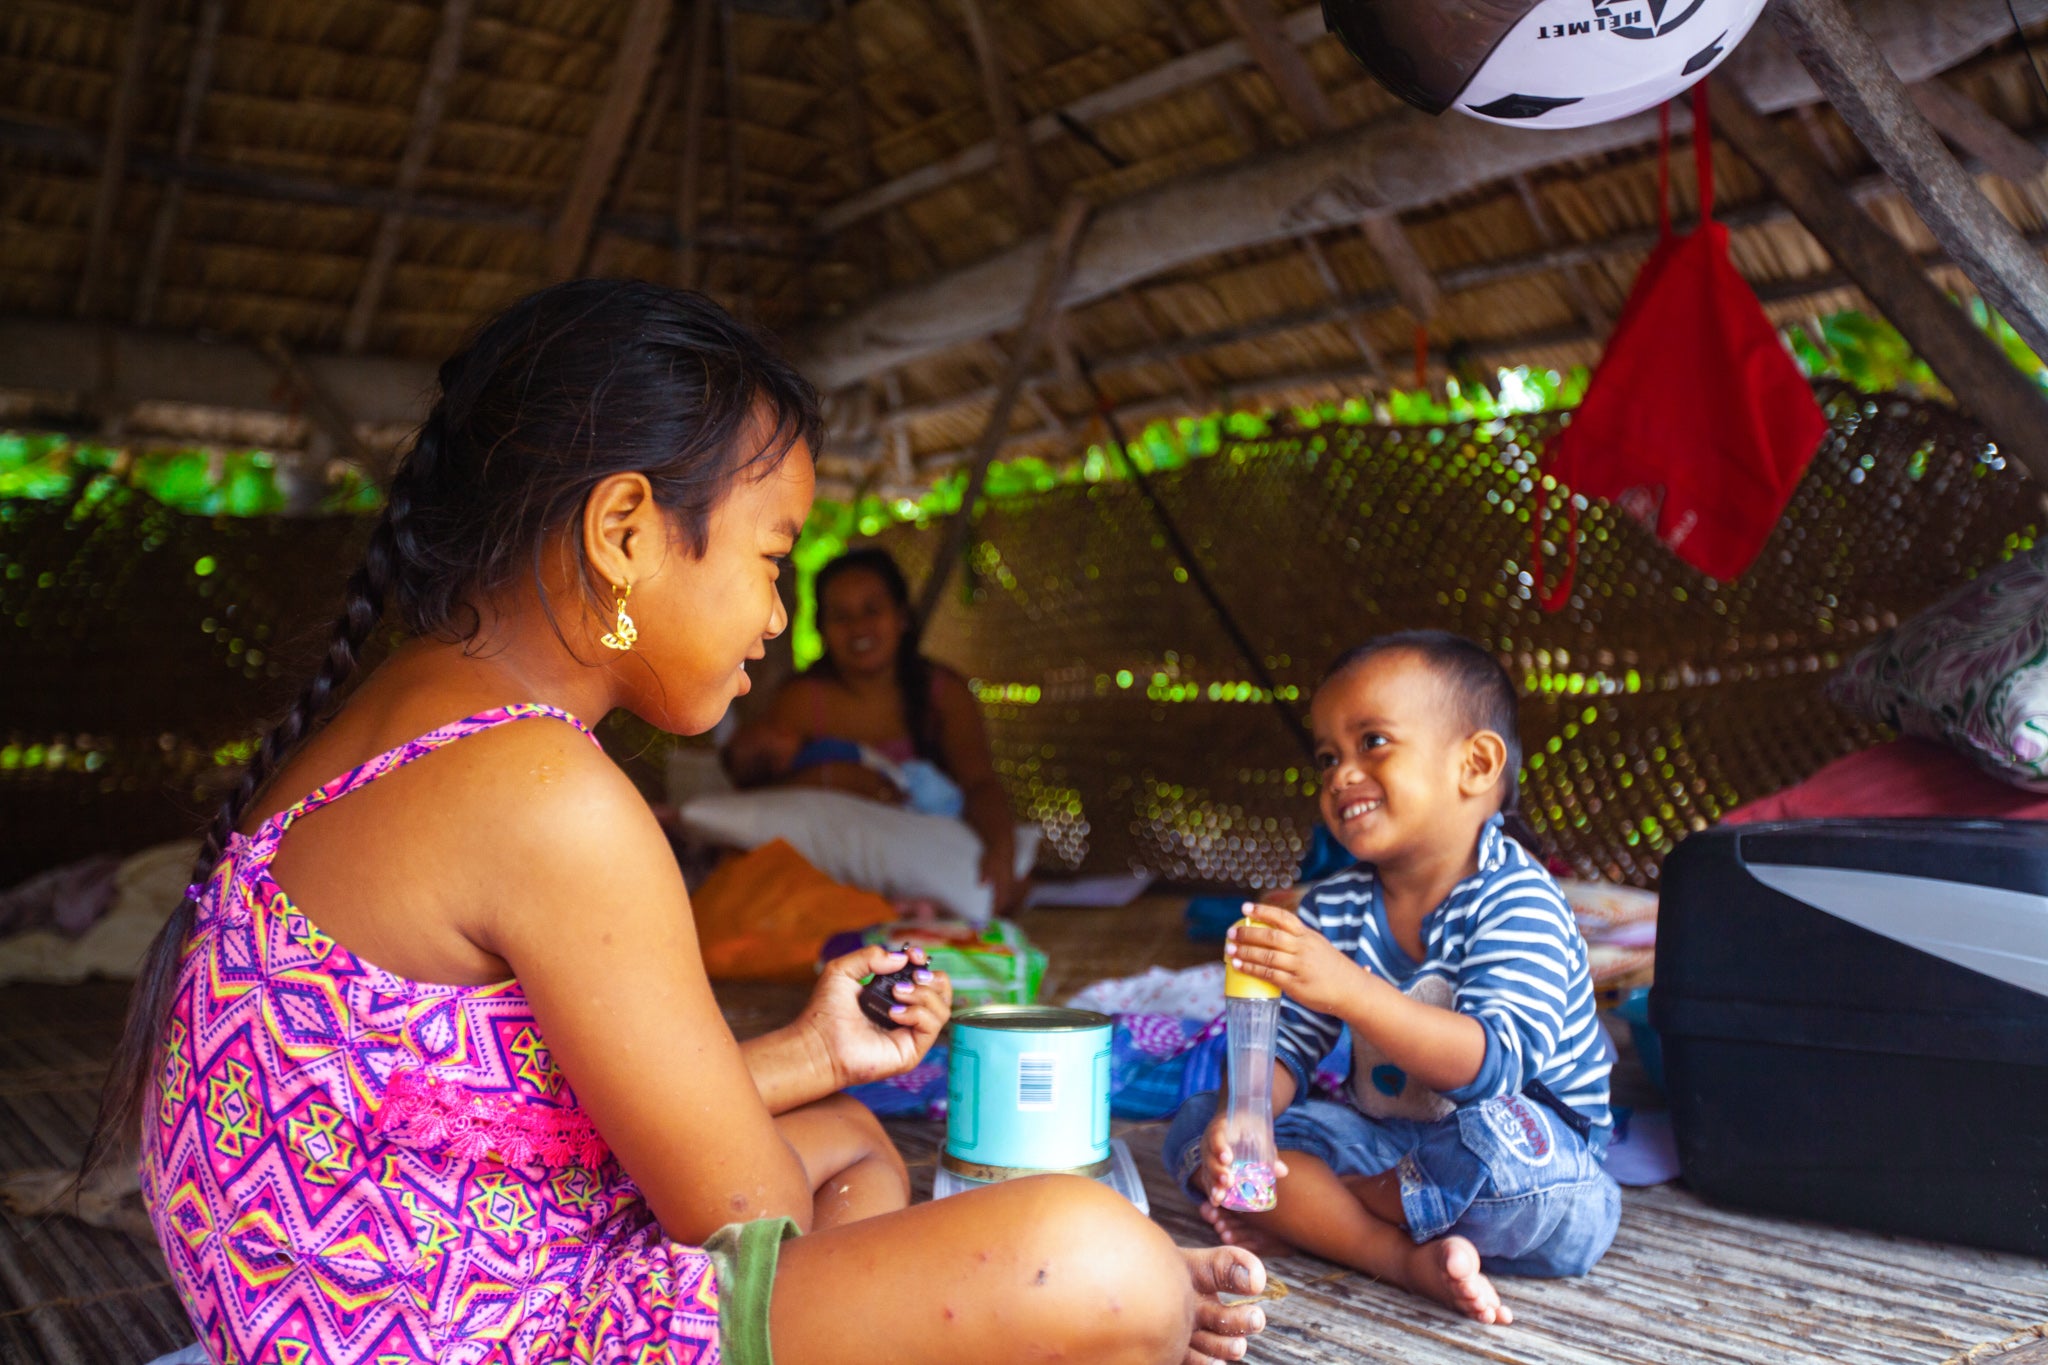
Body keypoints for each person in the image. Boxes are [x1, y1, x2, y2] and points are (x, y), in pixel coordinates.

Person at [86, 281, 1268, 1365]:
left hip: (378, 1284)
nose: (774, 615)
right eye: (771, 558)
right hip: (466, 1330)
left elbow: (474, 1107)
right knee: (1108, 1265)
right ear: (624, 534)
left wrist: (810, 1053)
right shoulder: (545, 795)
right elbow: (748, 1216)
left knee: (853, 1133)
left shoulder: (382, 726)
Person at [1164, 630, 1620, 1326]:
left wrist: (1348, 985)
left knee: (1500, 1142)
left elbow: (1490, 1065)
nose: (1341, 773)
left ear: (1475, 763)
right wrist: (1246, 1113)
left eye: (1372, 741)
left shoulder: (1517, 899)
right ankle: (1397, 1251)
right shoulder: (1336, 904)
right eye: (1327, 756)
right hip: (1386, 1145)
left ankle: (1342, 1214)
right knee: (1201, 1130)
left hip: (1531, 1169)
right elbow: (1287, 1047)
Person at [724, 546, 1025, 915]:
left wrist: (1001, 849)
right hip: (833, 882)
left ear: (901, 617)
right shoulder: (802, 701)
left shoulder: (944, 695)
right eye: (841, 616)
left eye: (871, 610)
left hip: (926, 861)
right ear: (822, 629)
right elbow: (764, 798)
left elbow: (980, 784)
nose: (858, 628)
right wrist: (833, 778)